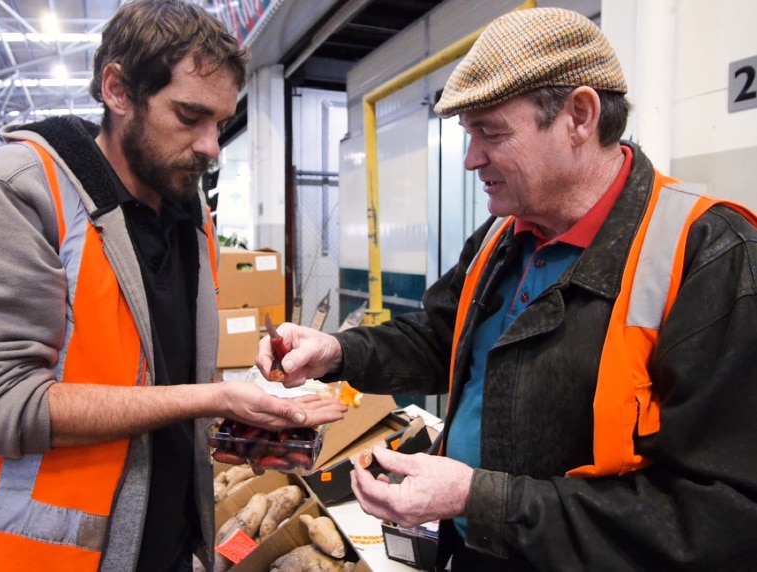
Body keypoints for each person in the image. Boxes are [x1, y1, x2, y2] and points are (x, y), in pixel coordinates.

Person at [256, 7, 757, 570]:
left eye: (491, 133)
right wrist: (339, 352)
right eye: (468, 135)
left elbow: (720, 514)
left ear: (580, 116)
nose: (471, 159)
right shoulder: (502, 235)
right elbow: (441, 339)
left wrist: (479, 499)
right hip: (476, 550)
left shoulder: (710, 256)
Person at [0, 2, 345, 571]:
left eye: (219, 122)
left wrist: (241, 404)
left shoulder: (188, 213)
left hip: (163, 546)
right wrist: (214, 397)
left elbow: (152, 375)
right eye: (189, 115)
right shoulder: (13, 194)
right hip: (38, 555)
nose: (211, 146)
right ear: (118, 90)